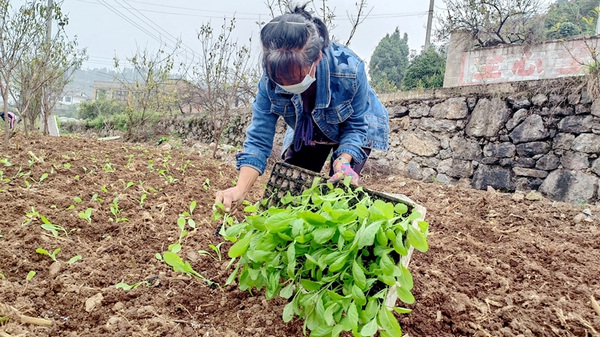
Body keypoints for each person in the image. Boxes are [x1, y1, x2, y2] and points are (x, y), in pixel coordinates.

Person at [215, 4, 389, 212]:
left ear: (316, 59)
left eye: (294, 77)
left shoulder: (350, 70)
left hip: (354, 127)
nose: (287, 85)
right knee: (292, 192)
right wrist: (240, 189)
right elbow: (259, 137)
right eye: (280, 79)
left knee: (340, 194)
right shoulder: (269, 82)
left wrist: (343, 161)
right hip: (308, 129)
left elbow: (356, 126)